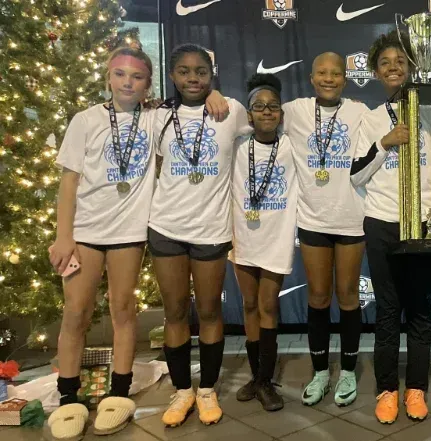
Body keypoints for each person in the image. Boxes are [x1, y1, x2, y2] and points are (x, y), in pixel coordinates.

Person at [47, 47, 157, 440]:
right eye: (120, 74)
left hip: (129, 232)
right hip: (87, 233)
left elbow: (195, 106)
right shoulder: (86, 120)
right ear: (108, 77)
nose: (128, 82)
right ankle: (68, 398)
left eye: (137, 76)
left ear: (148, 83)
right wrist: (64, 235)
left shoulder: (156, 118)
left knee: (123, 309)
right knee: (76, 312)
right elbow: (69, 181)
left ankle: (119, 393)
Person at [149, 43, 251, 427]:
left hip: (210, 228)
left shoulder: (232, 111)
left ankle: (206, 389)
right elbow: (155, 166)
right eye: (184, 71)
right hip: (166, 227)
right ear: (172, 75)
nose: (193, 78)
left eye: (201, 72)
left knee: (209, 311)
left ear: (213, 75)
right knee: (175, 313)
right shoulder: (156, 116)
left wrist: (217, 95)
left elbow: (267, 130)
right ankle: (181, 391)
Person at [350, 31, 431, 424]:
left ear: (412, 67)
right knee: (388, 310)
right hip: (383, 223)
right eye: (386, 63)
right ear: (375, 72)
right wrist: (384, 142)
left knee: (419, 311)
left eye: (400, 62)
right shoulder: (370, 119)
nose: (393, 68)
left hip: (423, 225)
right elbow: (355, 175)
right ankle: (387, 389)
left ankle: (416, 389)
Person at [276, 52, 369, 407]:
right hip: (313, 219)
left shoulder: (359, 111)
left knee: (347, 296)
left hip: (350, 218)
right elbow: (255, 111)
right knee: (317, 297)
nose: (329, 78)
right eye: (322, 73)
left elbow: (397, 123)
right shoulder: (295, 110)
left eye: (336, 73)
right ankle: (319, 372)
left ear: (345, 79)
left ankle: (346, 370)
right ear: (312, 78)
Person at [230, 73, 297, 411]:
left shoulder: (291, 145)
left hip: (276, 238)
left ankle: (266, 379)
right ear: (250, 112)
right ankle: (256, 377)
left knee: (268, 306)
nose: (267, 112)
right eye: (259, 107)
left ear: (281, 113)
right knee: (249, 306)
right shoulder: (237, 144)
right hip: (243, 237)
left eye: (273, 107)